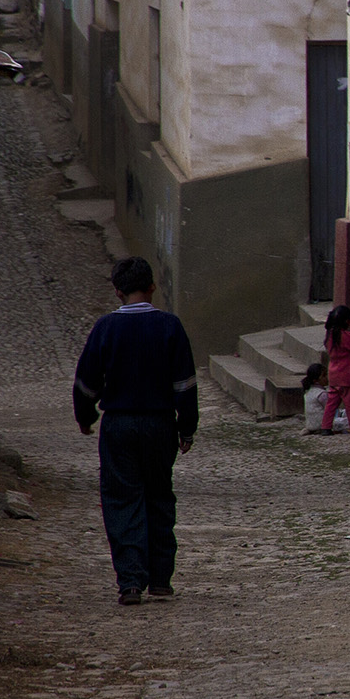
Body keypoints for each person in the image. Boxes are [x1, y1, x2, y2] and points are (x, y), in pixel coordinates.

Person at [72, 256, 198, 607]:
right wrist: (187, 428)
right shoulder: (170, 326)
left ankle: (130, 581)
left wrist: (86, 417)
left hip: (119, 425)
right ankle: (160, 579)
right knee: (159, 494)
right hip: (160, 425)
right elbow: (185, 384)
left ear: (117, 291)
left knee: (122, 498)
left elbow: (87, 383)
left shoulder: (105, 329)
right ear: (152, 287)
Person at [322, 304, 350, 433]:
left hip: (334, 373)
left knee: (331, 403)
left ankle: (325, 426)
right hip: (347, 373)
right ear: (346, 321)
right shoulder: (346, 336)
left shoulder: (330, 336)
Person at [301, 362, 348, 434]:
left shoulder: (308, 392)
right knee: (347, 418)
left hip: (311, 425)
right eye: (324, 376)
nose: (327, 378)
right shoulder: (321, 394)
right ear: (315, 380)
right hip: (323, 424)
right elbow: (330, 410)